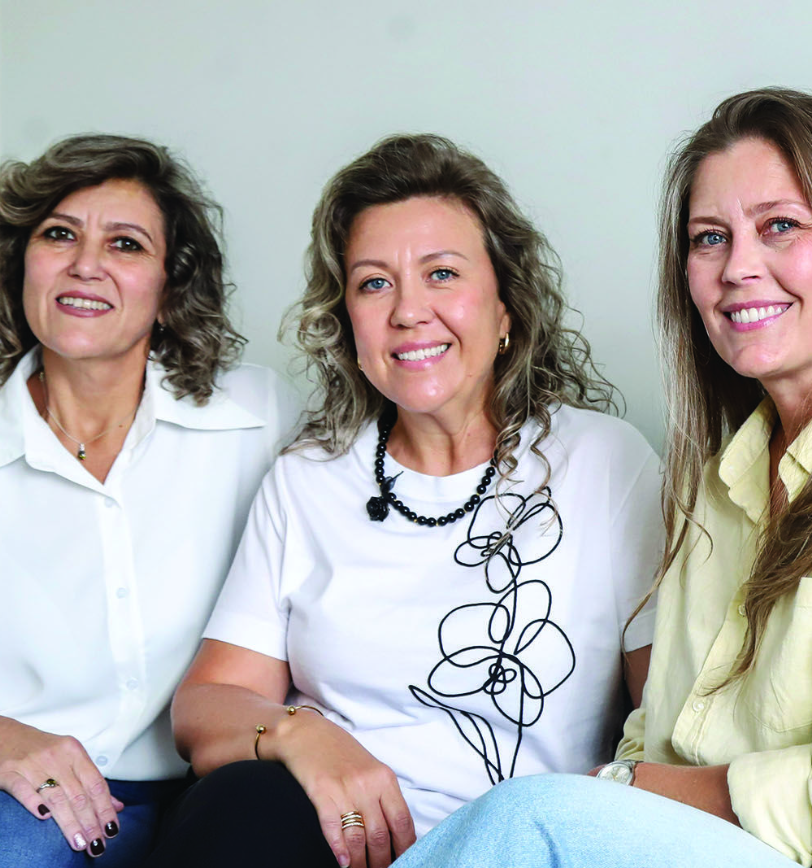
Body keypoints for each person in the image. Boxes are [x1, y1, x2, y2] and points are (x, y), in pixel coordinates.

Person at [392, 88, 812, 868]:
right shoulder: (718, 479)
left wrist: (622, 790)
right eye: (710, 238)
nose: (738, 268)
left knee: (531, 816)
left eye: (780, 226)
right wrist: (626, 789)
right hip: (702, 849)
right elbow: (657, 734)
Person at [149, 134, 662, 868]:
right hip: (329, 842)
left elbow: (665, 724)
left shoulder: (607, 464)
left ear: (506, 307)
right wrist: (300, 735)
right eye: (374, 284)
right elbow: (206, 705)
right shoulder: (308, 478)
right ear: (349, 324)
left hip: (513, 849)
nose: (408, 311)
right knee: (234, 806)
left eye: (441, 273)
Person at [0, 134, 302, 868]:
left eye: (126, 244)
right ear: (22, 266)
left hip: (197, 790)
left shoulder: (258, 416)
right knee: (7, 846)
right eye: (59, 235)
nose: (85, 264)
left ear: (171, 288)